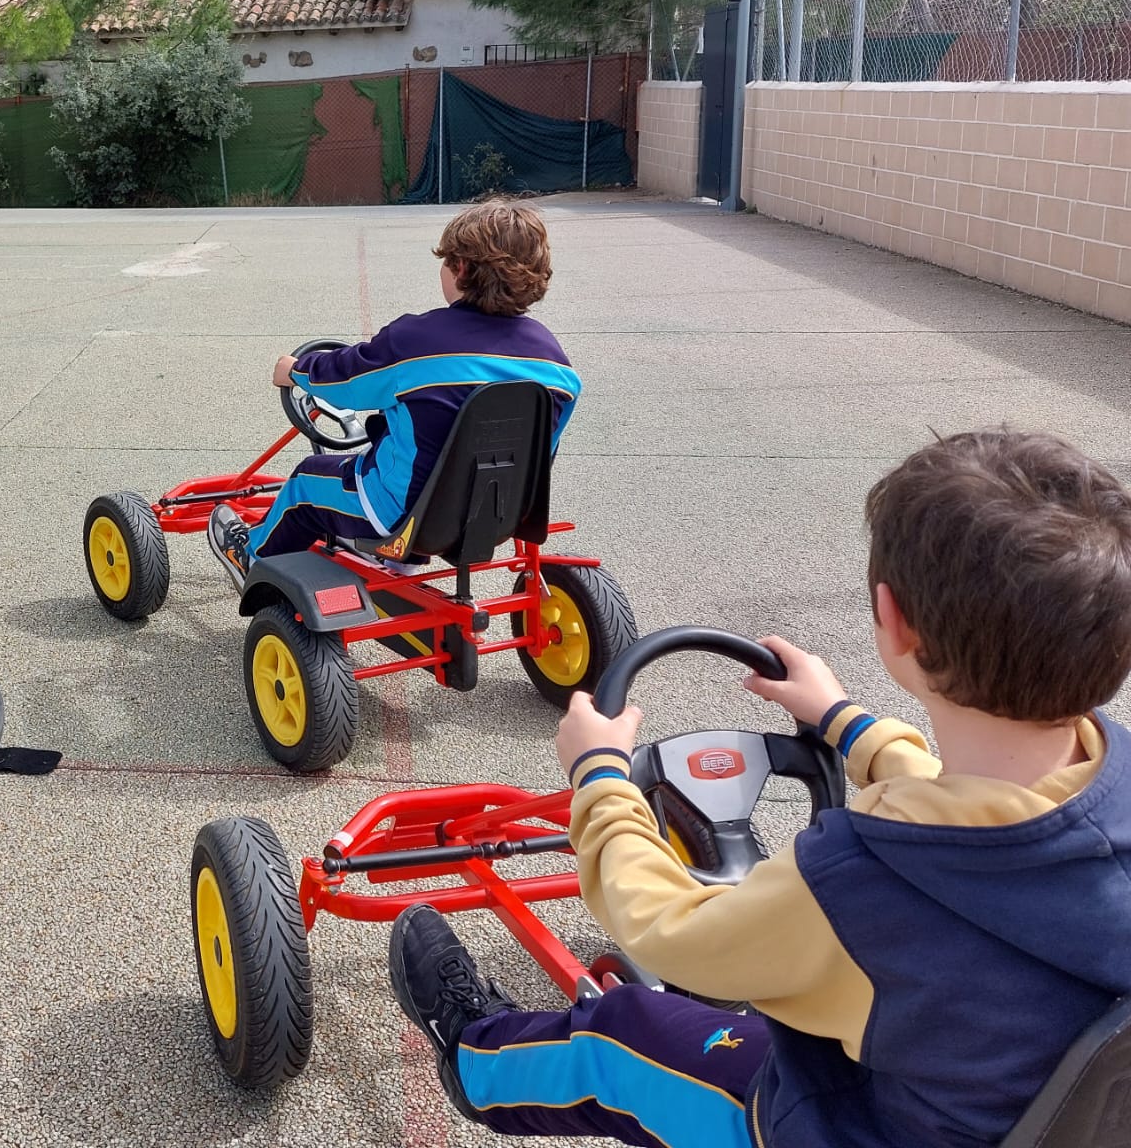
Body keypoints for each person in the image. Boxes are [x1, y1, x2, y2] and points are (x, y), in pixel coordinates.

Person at [387, 429, 1131, 1148]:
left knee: (622, 1036)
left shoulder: (859, 883)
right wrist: (845, 723)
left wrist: (601, 776)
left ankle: (472, 1053)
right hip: (1018, 1109)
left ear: (891, 620)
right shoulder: (1110, 782)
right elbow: (1000, 825)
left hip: (844, 1126)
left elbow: (669, 932)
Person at [206, 200, 581, 587]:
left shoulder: (416, 341)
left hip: (400, 514)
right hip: (497, 518)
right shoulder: (556, 363)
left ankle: (250, 557)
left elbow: (347, 382)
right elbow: (542, 450)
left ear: (462, 268)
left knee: (306, 481)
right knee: (415, 443)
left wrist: (297, 372)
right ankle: (401, 564)